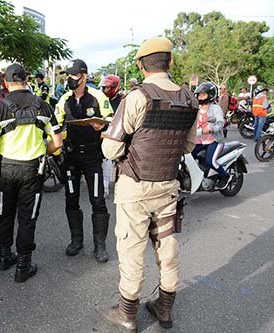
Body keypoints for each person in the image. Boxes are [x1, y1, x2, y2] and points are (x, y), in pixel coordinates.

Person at [102, 37, 199, 332]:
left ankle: (127, 314)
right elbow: (188, 146)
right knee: (167, 247)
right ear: (169, 62)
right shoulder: (189, 98)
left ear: (142, 66)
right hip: (167, 186)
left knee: (132, 250)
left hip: (135, 188)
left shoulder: (136, 97)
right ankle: (165, 309)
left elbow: (111, 150)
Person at [0, 63, 62, 283]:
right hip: (33, 171)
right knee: (27, 218)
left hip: (6, 170)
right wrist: (44, 151)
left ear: (5, 82)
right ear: (26, 79)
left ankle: (5, 257)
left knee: (5, 214)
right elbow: (57, 142)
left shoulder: (0, 107)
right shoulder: (44, 106)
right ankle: (23, 266)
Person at [56, 59, 114, 263]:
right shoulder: (63, 100)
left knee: (97, 201)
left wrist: (102, 126)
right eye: (68, 75)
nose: (70, 79)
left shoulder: (98, 97)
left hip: (92, 157)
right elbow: (56, 125)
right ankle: (76, 240)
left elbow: (112, 121)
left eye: (74, 75)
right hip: (70, 157)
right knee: (71, 199)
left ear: (84, 76)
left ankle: (100, 245)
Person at [192, 82, 232, 189]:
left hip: (214, 141)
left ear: (210, 95)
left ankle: (225, 176)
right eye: (199, 95)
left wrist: (210, 129)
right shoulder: (197, 108)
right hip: (199, 141)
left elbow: (220, 122)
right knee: (188, 157)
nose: (200, 97)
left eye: (203, 94)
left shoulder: (215, 108)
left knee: (210, 161)